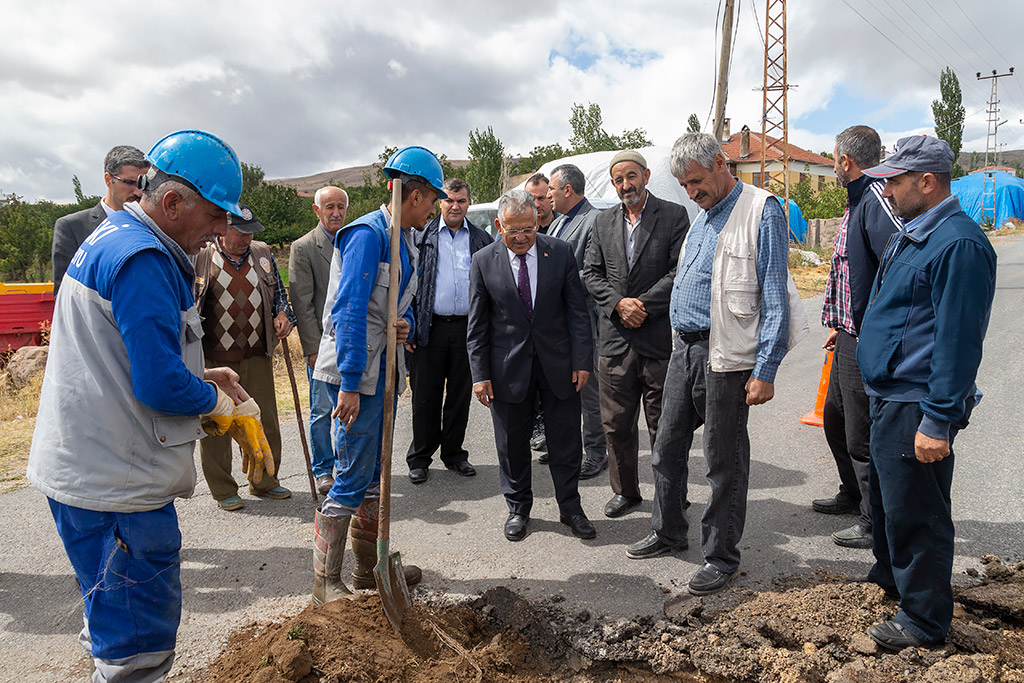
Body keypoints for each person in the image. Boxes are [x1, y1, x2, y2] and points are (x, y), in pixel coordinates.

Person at [27, 129, 272, 681]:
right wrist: (222, 406)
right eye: (214, 217)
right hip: (116, 488)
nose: (219, 231)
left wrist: (201, 372)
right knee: (136, 650)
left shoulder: (117, 236)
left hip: (89, 471)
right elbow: (159, 385)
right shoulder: (143, 259)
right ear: (171, 203)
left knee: (110, 623)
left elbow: (126, 352)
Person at [629, 132, 806, 595]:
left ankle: (721, 555)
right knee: (666, 446)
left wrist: (766, 368)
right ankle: (669, 531)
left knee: (723, 460)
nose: (691, 192)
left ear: (722, 164)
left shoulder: (760, 210)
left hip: (725, 356)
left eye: (697, 181)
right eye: (684, 185)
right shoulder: (703, 217)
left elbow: (774, 294)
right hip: (684, 351)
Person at [856, 135, 996, 651]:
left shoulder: (958, 243)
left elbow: (959, 343)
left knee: (918, 512)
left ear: (927, 182)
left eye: (894, 181)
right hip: (890, 394)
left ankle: (923, 621)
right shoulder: (917, 232)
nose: (887, 191)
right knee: (890, 502)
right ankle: (891, 579)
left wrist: (937, 420)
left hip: (917, 401)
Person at [310, 146, 445, 604]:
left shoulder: (403, 237)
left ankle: (369, 571)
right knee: (350, 475)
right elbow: (348, 312)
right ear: (415, 195)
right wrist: (348, 383)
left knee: (372, 477)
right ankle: (325, 583)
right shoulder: (367, 235)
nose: (436, 208)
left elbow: (380, 307)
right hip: (357, 377)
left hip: (382, 371)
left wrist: (401, 323)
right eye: (433, 200)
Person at [467, 189, 596, 543]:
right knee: (511, 445)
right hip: (507, 369)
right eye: (513, 231)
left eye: (528, 228)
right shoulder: (482, 261)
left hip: (559, 365)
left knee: (567, 441)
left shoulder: (561, 253)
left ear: (538, 221)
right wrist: (480, 376)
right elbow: (477, 326)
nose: (522, 237)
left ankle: (571, 508)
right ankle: (518, 508)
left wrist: (582, 360)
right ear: (498, 226)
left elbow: (577, 313)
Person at [583, 150, 690, 519]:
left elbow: (681, 271)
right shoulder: (602, 223)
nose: (625, 185)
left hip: (656, 338)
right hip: (614, 342)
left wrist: (640, 305)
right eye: (618, 180)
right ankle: (626, 492)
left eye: (631, 176)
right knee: (616, 426)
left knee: (665, 425)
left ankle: (671, 494)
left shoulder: (674, 216)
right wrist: (618, 305)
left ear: (645, 175)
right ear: (612, 184)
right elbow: (590, 273)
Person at [813, 126, 900, 549]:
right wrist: (840, 323)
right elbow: (850, 273)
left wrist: (870, 333)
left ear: (846, 161)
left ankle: (872, 520)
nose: (831, 165)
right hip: (848, 332)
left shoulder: (877, 201)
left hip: (867, 337)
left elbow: (894, 274)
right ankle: (852, 494)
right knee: (835, 421)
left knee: (860, 434)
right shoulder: (858, 200)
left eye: (832, 159)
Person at [194, 206, 296, 510]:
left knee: (263, 419)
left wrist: (283, 314)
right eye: (240, 231)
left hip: (257, 353)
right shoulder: (202, 257)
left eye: (251, 231)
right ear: (222, 229)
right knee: (217, 424)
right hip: (213, 358)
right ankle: (224, 489)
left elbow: (280, 295)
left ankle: (265, 482)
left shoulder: (262, 254)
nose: (246, 238)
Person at [405, 178, 492, 484]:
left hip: (468, 329)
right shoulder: (420, 236)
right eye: (450, 200)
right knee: (425, 396)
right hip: (429, 328)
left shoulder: (481, 239)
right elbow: (407, 286)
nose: (456, 206)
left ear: (469, 203)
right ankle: (420, 457)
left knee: (459, 396)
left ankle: (454, 454)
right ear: (440, 202)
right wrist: (411, 327)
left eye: (462, 201)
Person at [548, 164, 607, 479]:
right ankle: (569, 449)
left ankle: (597, 454)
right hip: (558, 322)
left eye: (552, 191)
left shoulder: (594, 220)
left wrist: (555, 280)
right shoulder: (559, 223)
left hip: (583, 321)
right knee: (564, 389)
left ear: (567, 190)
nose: (549, 197)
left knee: (589, 390)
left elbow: (597, 273)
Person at [290, 186, 350, 494]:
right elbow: (302, 302)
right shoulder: (304, 248)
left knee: (347, 408)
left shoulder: (352, 241)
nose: (336, 212)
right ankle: (323, 469)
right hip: (321, 347)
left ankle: (345, 464)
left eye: (341, 206)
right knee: (322, 411)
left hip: (349, 345)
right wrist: (313, 349)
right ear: (317, 211)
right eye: (330, 207)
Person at [51, 145, 150, 295]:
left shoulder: (153, 227)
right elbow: (64, 294)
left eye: (144, 184)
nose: (138, 192)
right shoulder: (72, 228)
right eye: (130, 183)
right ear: (108, 180)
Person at [524, 172, 561, 455]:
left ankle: (553, 432)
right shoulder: (521, 234)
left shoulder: (562, 230)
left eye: (541, 197)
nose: (536, 203)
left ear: (550, 196)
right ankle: (538, 428)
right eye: (531, 198)